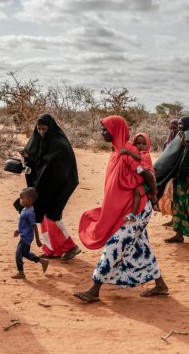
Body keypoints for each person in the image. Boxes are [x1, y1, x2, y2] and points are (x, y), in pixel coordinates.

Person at [74, 116, 168, 303]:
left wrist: (154, 197)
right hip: (126, 209)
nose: (102, 133)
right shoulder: (118, 151)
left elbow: (148, 174)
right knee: (141, 245)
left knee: (115, 245)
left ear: (115, 131)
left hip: (137, 209)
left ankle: (95, 288)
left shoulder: (129, 152)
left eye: (105, 130)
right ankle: (160, 285)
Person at [19, 114, 81, 260]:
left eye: (44, 129)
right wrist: (27, 157)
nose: (41, 132)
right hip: (44, 183)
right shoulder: (37, 140)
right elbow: (36, 161)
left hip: (61, 183)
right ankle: (52, 250)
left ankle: (71, 247)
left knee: (53, 214)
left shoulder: (59, 144)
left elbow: (58, 167)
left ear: (50, 128)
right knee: (42, 213)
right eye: (39, 128)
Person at [12, 187, 50, 279]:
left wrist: (37, 240)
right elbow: (24, 224)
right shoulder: (25, 209)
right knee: (26, 254)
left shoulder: (30, 212)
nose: (20, 200)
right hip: (23, 235)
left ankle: (21, 273)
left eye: (21, 198)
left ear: (28, 200)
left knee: (18, 254)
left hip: (26, 237)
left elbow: (34, 226)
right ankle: (43, 261)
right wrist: (18, 230)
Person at [119, 133, 157, 222]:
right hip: (144, 178)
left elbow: (139, 157)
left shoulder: (146, 154)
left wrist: (127, 151)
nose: (140, 146)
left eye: (144, 144)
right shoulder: (138, 151)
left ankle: (133, 214)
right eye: (138, 143)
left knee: (137, 192)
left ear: (148, 144)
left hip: (149, 180)